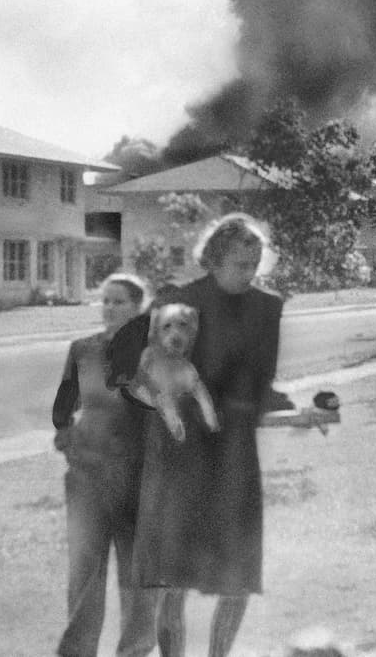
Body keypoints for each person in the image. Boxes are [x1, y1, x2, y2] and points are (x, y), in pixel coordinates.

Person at [108, 213, 284, 657]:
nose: (250, 273)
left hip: (234, 455)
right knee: (175, 573)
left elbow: (261, 379)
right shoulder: (178, 302)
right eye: (241, 263)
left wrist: (276, 406)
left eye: (256, 263)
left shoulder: (268, 307)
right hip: (180, 454)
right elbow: (138, 371)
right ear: (215, 259)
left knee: (237, 571)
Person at [50, 273, 160, 657]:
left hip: (139, 481)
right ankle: (77, 651)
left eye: (119, 302)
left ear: (139, 307)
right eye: (106, 300)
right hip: (88, 481)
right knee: (84, 574)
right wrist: (69, 444)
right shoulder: (82, 350)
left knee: (139, 579)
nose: (109, 308)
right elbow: (64, 408)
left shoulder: (157, 354)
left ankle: (134, 651)